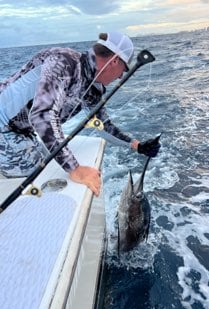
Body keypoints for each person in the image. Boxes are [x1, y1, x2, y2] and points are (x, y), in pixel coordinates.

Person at [0, 31, 160, 196]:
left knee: (47, 165)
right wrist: (75, 169)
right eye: (123, 70)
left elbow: (103, 125)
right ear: (115, 61)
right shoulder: (63, 62)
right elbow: (43, 115)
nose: (120, 77)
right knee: (36, 174)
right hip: (3, 126)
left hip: (23, 131)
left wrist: (137, 146)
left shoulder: (92, 86)